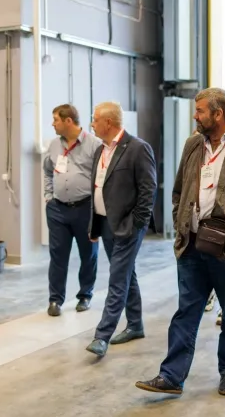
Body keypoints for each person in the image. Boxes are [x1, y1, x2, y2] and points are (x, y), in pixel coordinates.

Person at [136, 88, 225, 395]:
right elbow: (179, 190)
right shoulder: (193, 144)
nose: (195, 116)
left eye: (200, 111)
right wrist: (180, 222)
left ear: (218, 114)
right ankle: (171, 376)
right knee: (186, 311)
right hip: (191, 245)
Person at [84, 102, 158, 357]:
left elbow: (148, 189)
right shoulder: (99, 150)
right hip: (105, 223)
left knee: (117, 277)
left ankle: (102, 336)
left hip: (128, 225)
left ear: (108, 122)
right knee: (126, 273)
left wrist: (137, 224)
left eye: (95, 119)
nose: (92, 124)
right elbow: (98, 188)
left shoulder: (137, 148)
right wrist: (93, 224)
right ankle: (135, 325)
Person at [43, 104, 100, 316]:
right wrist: (49, 196)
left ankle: (85, 295)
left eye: (55, 119)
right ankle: (55, 300)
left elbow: (102, 176)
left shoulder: (94, 144)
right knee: (57, 256)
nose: (52, 124)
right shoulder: (54, 145)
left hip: (85, 208)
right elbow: (47, 171)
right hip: (58, 209)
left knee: (88, 255)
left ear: (68, 121)